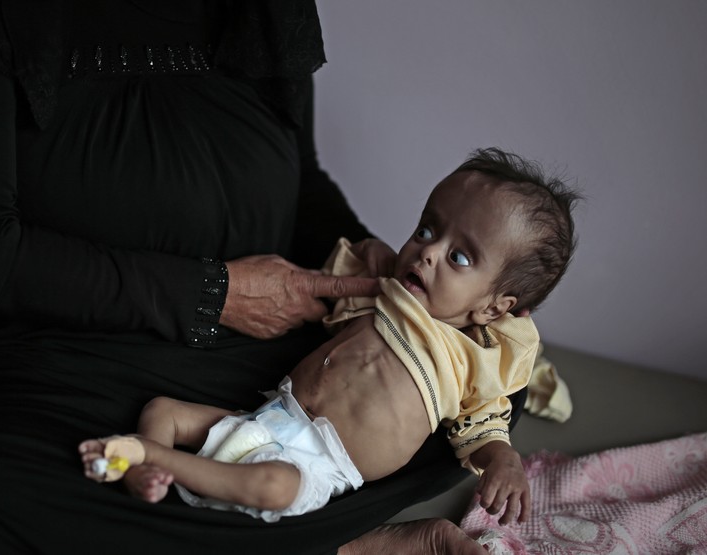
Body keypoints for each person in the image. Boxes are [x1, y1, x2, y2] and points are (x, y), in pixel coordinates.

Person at [0, 0, 529, 553]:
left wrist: (376, 264)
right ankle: (342, 541)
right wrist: (214, 294)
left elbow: (300, 182)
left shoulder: (260, 7)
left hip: (264, 355)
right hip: (63, 360)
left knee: (483, 380)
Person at [78, 148, 579, 527]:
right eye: (427, 230)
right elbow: (326, 284)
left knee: (272, 486)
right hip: (267, 417)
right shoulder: (383, 291)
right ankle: (147, 460)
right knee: (164, 408)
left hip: (318, 463)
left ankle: (150, 457)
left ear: (494, 307)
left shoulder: (470, 359)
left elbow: (484, 426)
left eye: (460, 257)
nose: (426, 252)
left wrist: (504, 462)